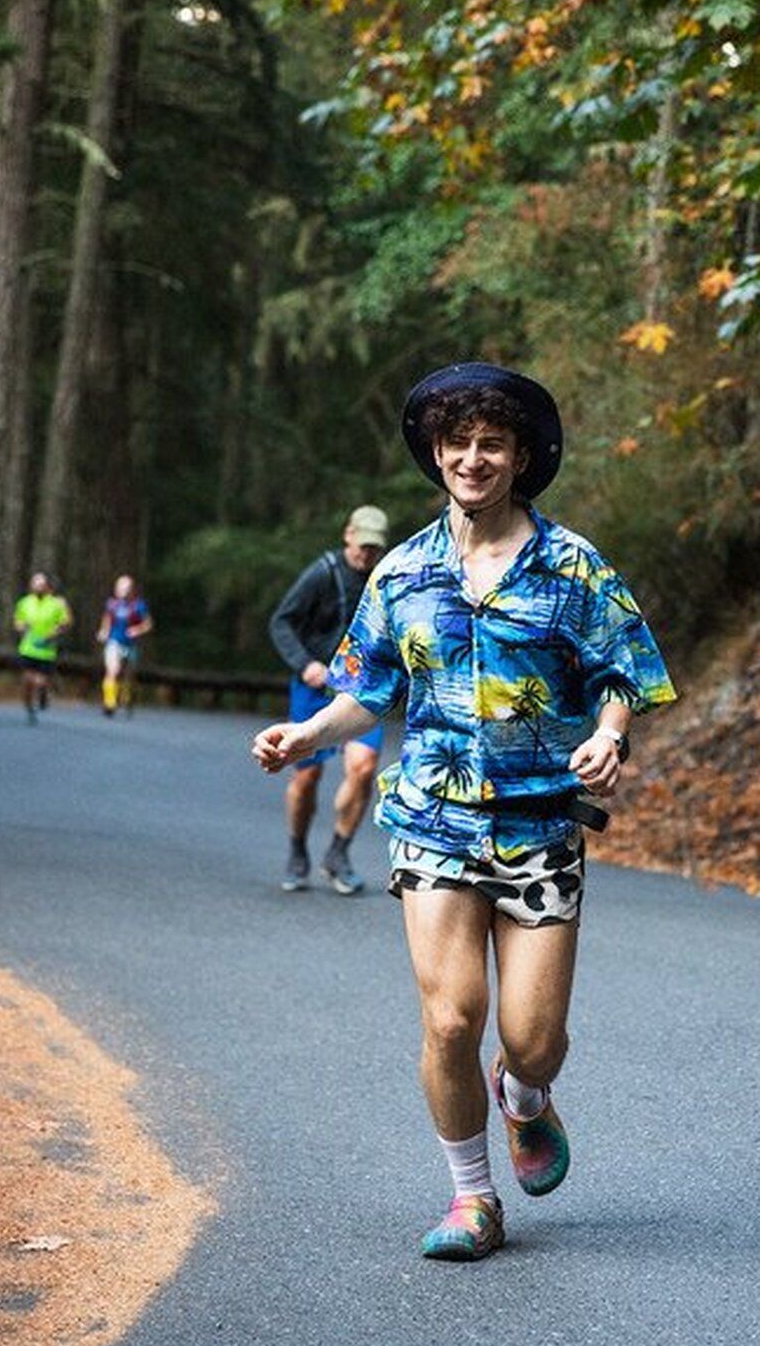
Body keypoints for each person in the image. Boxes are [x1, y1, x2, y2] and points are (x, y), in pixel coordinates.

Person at [252, 362, 675, 1262]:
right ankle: (472, 1198)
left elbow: (622, 673)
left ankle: (525, 1099)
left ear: (520, 457)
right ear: (436, 454)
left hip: (540, 824)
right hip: (434, 818)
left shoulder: (572, 566)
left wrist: (610, 734)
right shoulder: (401, 573)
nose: (472, 459)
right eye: (457, 444)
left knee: (533, 1039)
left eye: (491, 443)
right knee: (450, 1018)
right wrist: (306, 734)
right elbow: (366, 693)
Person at [268, 505, 393, 894]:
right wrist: (305, 663)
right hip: (313, 686)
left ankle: (338, 851)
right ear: (348, 535)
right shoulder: (323, 573)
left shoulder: (385, 580)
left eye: (375, 548)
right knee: (306, 777)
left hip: (360, 688)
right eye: (362, 545)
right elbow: (281, 622)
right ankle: (297, 849)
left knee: (364, 765)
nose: (366, 554)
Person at [11, 572, 72, 724]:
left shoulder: (56, 604)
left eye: (41, 584)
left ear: (47, 587)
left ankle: (43, 693)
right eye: (35, 584)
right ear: (31, 586)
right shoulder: (24, 602)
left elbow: (66, 623)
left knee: (40, 681)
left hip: (46, 650)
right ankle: (29, 710)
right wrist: (21, 627)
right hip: (27, 648)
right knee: (27, 681)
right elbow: (18, 621)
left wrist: (55, 632)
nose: (38, 587)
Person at [96, 574, 153, 717]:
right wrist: (104, 631)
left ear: (132, 590)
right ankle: (109, 703)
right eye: (121, 587)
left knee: (128, 675)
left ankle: (126, 698)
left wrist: (137, 630)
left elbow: (148, 624)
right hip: (114, 642)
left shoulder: (139, 605)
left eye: (127, 588)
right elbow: (107, 619)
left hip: (131, 644)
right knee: (112, 671)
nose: (124, 590)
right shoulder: (112, 604)